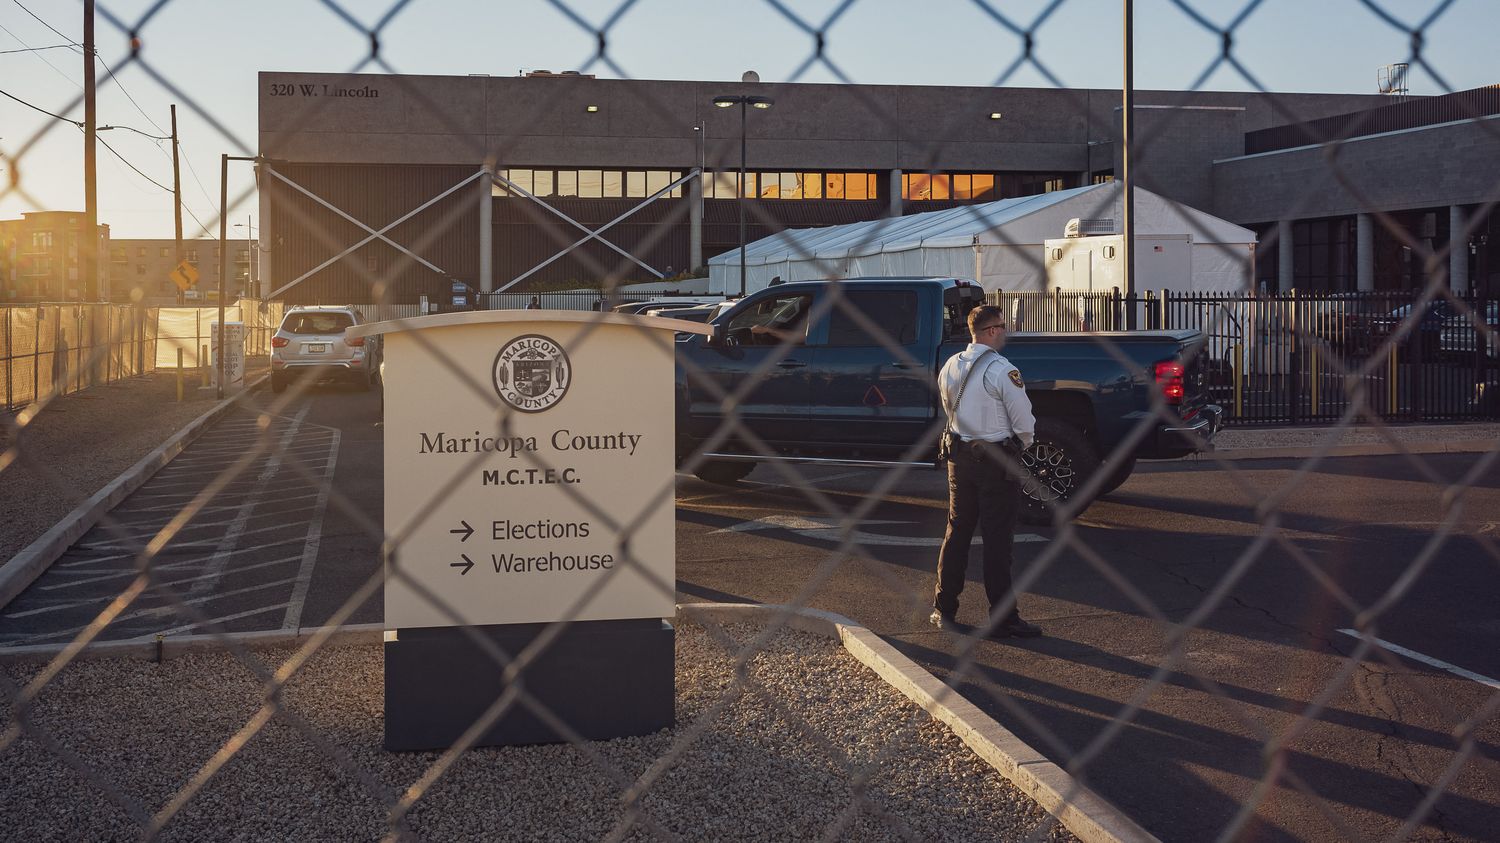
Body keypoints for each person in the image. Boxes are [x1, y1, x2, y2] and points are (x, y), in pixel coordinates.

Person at [930, 304, 1040, 639]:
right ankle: (1003, 619)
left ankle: (943, 609)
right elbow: (1023, 420)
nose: (1005, 332)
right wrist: (1022, 444)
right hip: (994, 462)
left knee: (956, 533)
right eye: (1003, 327)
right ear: (991, 330)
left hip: (958, 459)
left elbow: (948, 406)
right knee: (997, 540)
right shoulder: (1001, 369)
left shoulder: (951, 365)